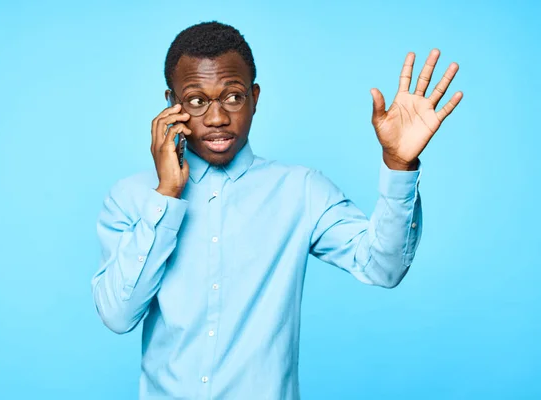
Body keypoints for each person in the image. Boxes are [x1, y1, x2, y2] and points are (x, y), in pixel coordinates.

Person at [91, 21, 462, 400]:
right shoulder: (132, 198)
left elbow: (384, 267)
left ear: (254, 97)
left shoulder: (301, 190)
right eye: (197, 101)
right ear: (172, 105)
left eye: (232, 97)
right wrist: (167, 195)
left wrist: (399, 164)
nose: (217, 118)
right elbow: (118, 316)